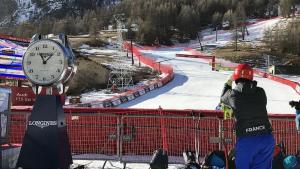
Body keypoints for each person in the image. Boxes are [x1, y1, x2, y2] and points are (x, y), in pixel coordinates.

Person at [220, 64, 275, 169]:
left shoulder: (233, 94)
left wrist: (228, 82)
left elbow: (223, 97)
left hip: (247, 140)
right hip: (266, 139)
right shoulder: (261, 92)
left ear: (236, 77)